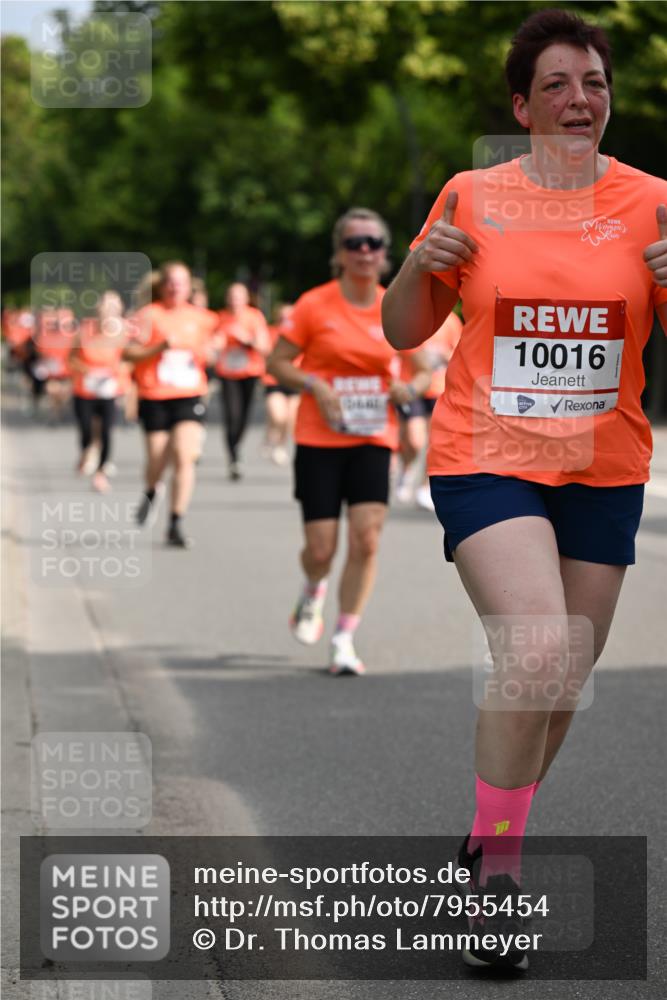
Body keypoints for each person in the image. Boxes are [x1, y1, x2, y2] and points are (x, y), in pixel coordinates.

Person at [382, 7, 667, 971]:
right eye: (556, 83)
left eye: (593, 82)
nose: (579, 98)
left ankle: (479, 837)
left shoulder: (654, 202)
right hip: (485, 454)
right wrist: (419, 265)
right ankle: (496, 881)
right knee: (537, 645)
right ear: (522, 104)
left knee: (558, 685)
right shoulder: (472, 194)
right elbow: (402, 332)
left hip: (604, 466)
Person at [268, 208, 430, 675]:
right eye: (355, 243)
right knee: (321, 549)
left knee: (367, 539)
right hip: (319, 438)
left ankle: (343, 637)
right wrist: (315, 384)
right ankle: (312, 588)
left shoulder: (394, 305)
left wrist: (409, 390)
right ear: (339, 253)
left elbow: (422, 371)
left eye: (374, 243)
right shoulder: (314, 305)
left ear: (384, 254)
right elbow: (278, 362)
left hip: (374, 437)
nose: (365, 251)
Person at [124, 261, 219, 547]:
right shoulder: (147, 315)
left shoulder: (204, 318)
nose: (176, 287)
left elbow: (212, 353)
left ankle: (175, 522)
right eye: (171, 282)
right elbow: (129, 354)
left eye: (182, 282)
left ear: (190, 287)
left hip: (189, 394)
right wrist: (160, 347)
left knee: (184, 454)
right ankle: (152, 491)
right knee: (156, 459)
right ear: (162, 285)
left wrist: (212, 352)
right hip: (154, 395)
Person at [395, 312, 462, 509]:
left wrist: (443, 355)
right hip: (413, 386)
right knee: (415, 441)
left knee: (434, 441)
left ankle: (425, 486)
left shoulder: (451, 321)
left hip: (439, 388)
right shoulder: (412, 316)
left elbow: (460, 354)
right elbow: (395, 349)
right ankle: (406, 470)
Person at [68, 291, 128, 492]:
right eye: (105, 307)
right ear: (98, 309)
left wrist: (120, 375)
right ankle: (86, 451)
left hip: (110, 390)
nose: (109, 312)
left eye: (114, 308)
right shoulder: (84, 331)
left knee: (106, 431)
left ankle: (101, 473)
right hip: (84, 389)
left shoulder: (124, 334)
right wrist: (88, 371)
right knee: (86, 429)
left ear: (120, 310)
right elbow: (71, 359)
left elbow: (131, 361)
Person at [214, 283, 271, 480]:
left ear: (246, 298)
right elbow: (213, 344)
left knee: (244, 417)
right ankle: (233, 457)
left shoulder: (254, 316)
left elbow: (264, 346)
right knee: (232, 415)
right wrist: (218, 343)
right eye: (231, 296)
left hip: (250, 372)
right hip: (227, 373)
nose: (234, 300)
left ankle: (236, 444)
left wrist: (246, 340)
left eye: (238, 296)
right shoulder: (219, 318)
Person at [262, 303, 299, 465]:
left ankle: (280, 445)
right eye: (283, 316)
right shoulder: (271, 333)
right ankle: (270, 434)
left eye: (289, 316)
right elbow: (264, 352)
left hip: (295, 379)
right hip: (274, 380)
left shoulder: (301, 333)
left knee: (290, 418)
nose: (286, 320)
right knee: (278, 415)